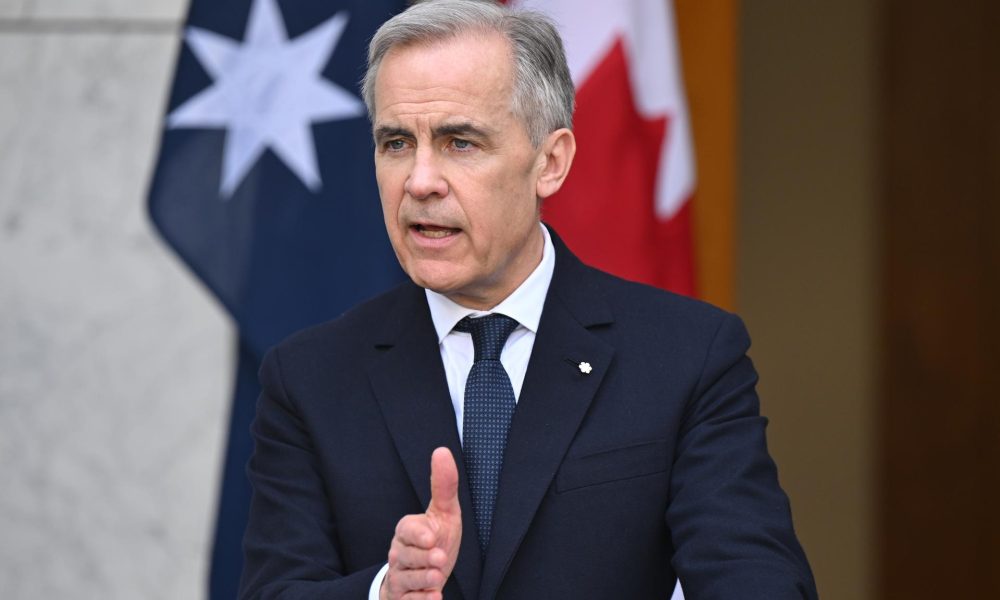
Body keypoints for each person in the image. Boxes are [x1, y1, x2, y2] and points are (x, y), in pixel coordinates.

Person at [238, 1, 817, 599]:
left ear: (550, 162)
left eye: (460, 142)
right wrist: (385, 593)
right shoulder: (309, 378)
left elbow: (757, 580)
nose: (420, 180)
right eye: (397, 143)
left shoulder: (686, 356)